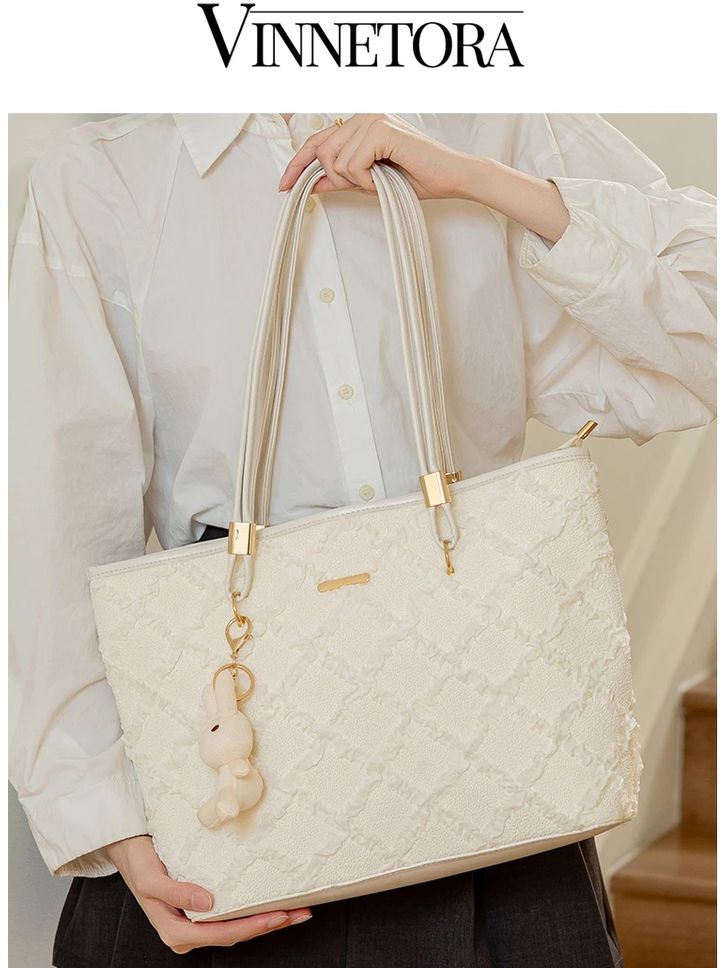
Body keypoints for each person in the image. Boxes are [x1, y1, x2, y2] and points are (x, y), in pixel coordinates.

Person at [9, 113, 716, 968]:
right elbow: (56, 521)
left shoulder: (493, 119)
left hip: (497, 764)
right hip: (235, 772)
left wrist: (481, 181)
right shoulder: (105, 175)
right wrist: (108, 822)